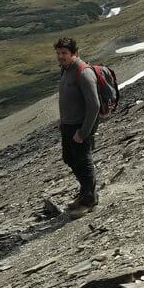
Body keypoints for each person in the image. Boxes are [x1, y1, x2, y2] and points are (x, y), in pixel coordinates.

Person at [54, 37, 101, 215]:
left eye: (64, 53)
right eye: (58, 53)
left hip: (80, 127)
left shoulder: (83, 72)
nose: (60, 57)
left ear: (74, 53)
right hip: (68, 125)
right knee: (70, 159)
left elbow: (94, 105)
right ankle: (85, 193)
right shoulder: (66, 70)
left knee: (84, 162)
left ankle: (89, 200)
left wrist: (83, 132)